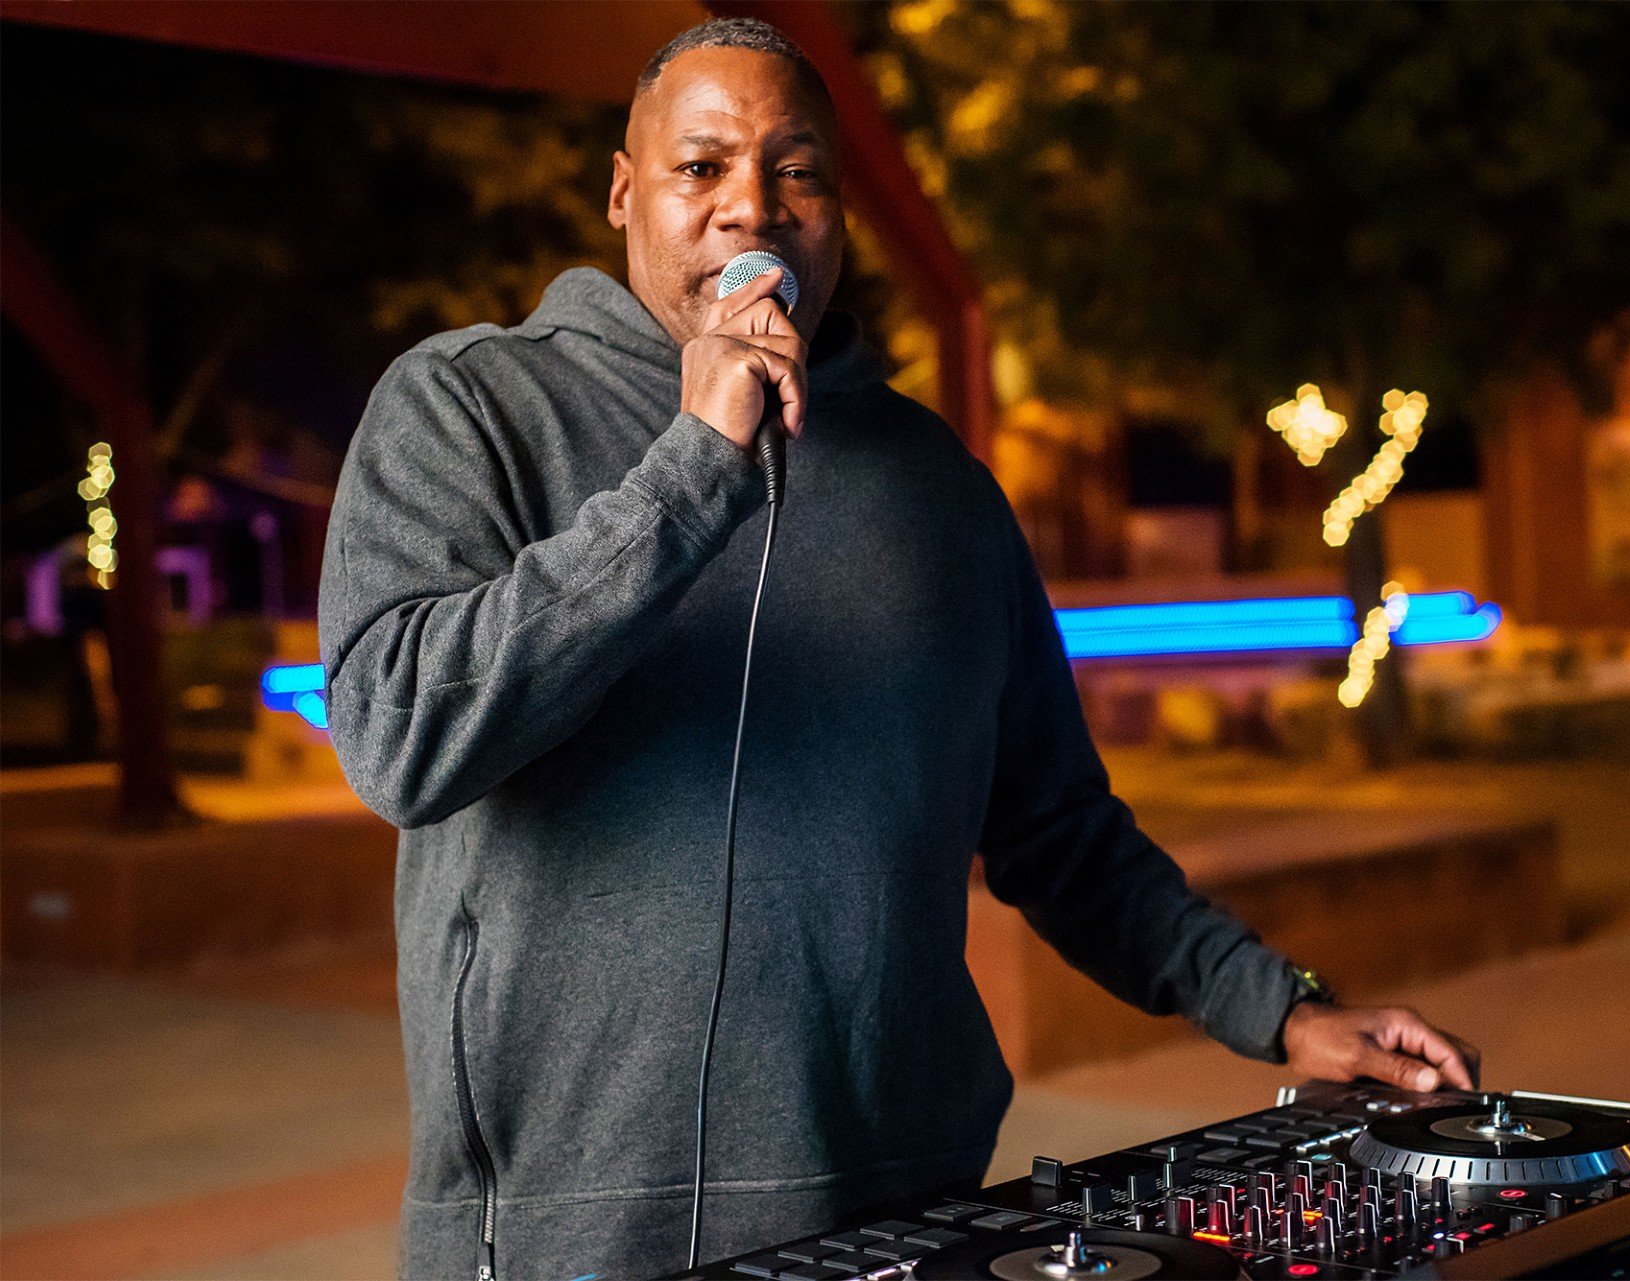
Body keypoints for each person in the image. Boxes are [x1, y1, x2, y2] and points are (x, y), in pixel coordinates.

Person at [317, 18, 1479, 1279]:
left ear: (840, 210)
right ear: (623, 194)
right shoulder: (468, 407)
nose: (749, 206)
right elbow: (398, 739)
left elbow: (1057, 829)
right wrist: (693, 469)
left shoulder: (941, 492)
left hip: (899, 1224)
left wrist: (1283, 1010)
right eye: (699, 167)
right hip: (561, 1237)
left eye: (797, 169)